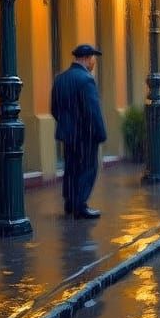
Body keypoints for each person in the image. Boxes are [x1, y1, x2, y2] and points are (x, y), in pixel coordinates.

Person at [50, 43, 107, 219]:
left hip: (68, 135)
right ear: (87, 58)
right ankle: (80, 206)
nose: (93, 63)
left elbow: (54, 108)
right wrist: (99, 132)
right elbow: (92, 110)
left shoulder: (60, 78)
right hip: (85, 135)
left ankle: (70, 201)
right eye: (93, 59)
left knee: (71, 168)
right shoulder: (86, 79)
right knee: (87, 168)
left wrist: (67, 124)